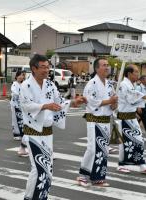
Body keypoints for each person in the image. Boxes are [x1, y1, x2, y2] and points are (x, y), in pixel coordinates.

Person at [20, 54, 86, 200]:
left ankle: (29, 197)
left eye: (48, 66)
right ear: (34, 69)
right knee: (40, 168)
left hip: (47, 133)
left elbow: (60, 101)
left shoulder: (50, 84)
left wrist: (73, 102)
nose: (46, 70)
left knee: (44, 170)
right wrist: (45, 106)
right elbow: (26, 105)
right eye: (43, 67)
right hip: (33, 132)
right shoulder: (26, 86)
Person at [77, 58, 117, 187]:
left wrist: (114, 103)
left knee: (103, 150)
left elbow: (113, 105)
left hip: (105, 121)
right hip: (94, 120)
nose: (107, 67)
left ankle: (97, 177)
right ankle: (82, 176)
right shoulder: (92, 83)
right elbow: (91, 102)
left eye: (108, 65)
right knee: (92, 148)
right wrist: (109, 101)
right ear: (96, 68)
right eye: (104, 65)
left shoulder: (110, 84)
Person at [117, 65, 146, 174]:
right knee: (127, 142)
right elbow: (132, 97)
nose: (138, 74)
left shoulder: (132, 84)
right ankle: (128, 164)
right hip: (124, 117)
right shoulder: (123, 84)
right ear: (129, 73)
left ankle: (140, 164)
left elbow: (133, 98)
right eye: (136, 72)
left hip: (131, 116)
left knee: (137, 141)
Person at [10, 71, 29, 157]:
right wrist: (21, 95)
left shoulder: (23, 84)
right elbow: (15, 92)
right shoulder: (14, 84)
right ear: (17, 76)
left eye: (23, 76)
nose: (22, 77)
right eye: (20, 75)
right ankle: (17, 134)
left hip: (22, 105)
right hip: (16, 104)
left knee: (21, 120)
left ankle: (21, 134)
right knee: (17, 120)